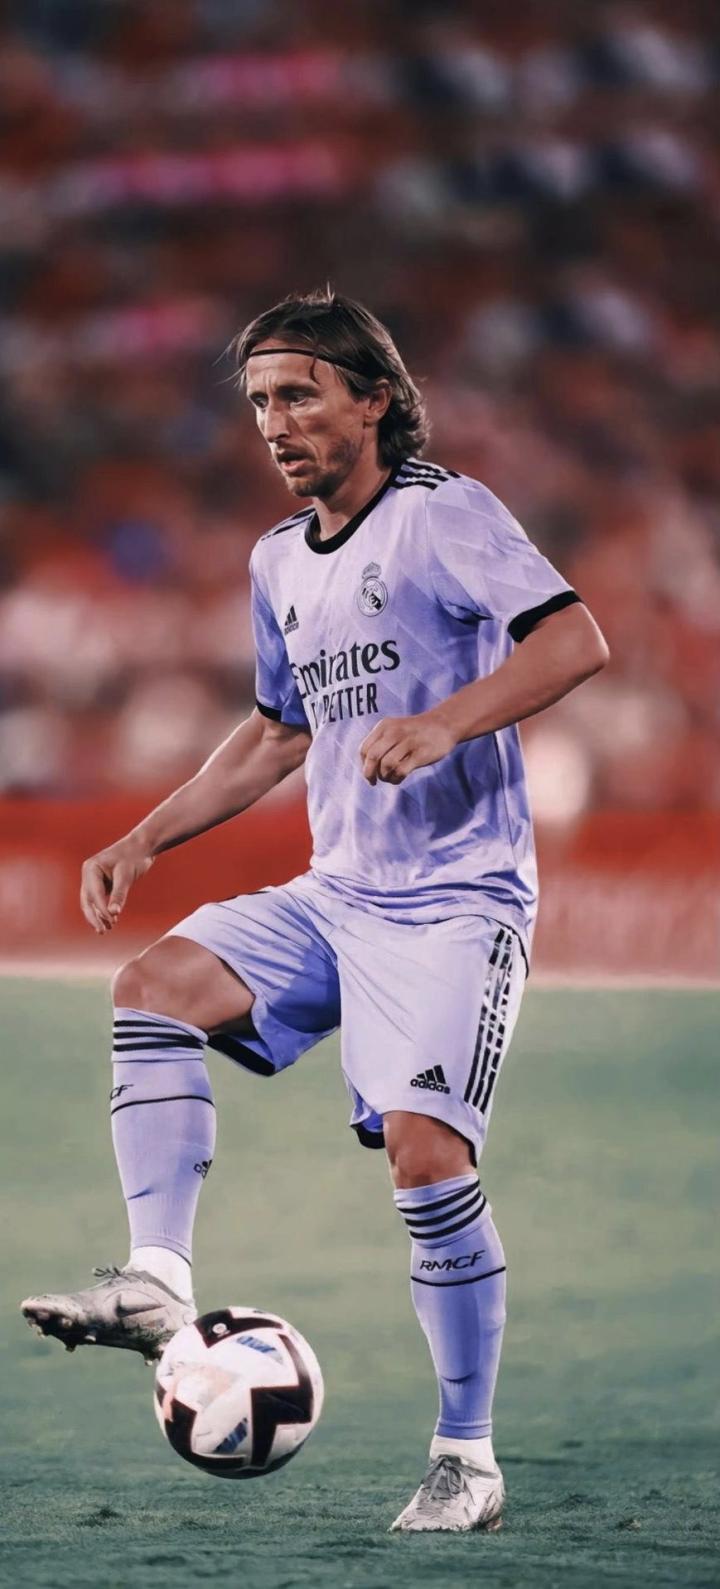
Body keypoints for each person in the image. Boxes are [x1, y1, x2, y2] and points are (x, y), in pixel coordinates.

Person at [22, 289, 608, 1533]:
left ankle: (466, 1457)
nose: (275, 423)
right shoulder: (278, 558)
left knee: (426, 1154)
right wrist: (144, 835)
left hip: (458, 899)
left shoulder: (445, 511)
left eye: (299, 394)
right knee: (154, 987)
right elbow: (277, 731)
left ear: (374, 398)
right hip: (338, 891)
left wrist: (444, 722)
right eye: (258, 403)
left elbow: (574, 641)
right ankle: (156, 1278)